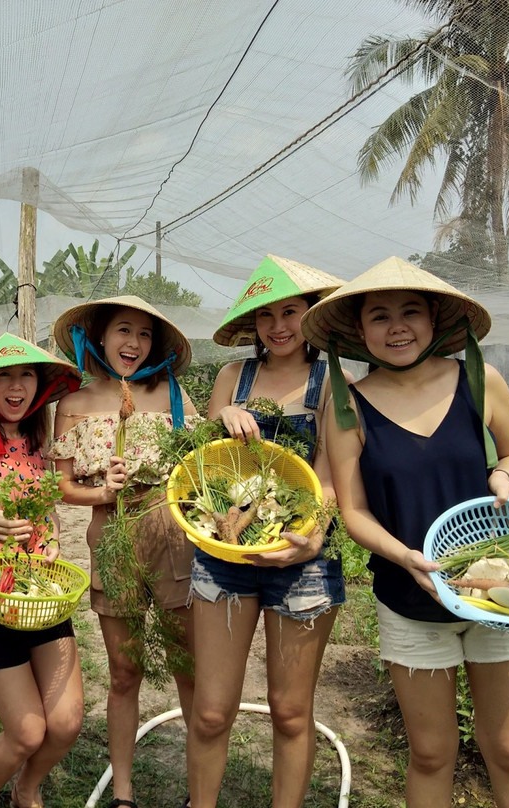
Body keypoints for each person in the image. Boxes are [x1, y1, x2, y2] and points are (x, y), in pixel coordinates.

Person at [302, 256, 509, 808]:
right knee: (432, 754)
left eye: (410, 312)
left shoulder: (478, 380)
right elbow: (355, 510)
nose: (396, 327)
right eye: (380, 316)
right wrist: (407, 558)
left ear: (434, 318)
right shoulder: (350, 407)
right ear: (360, 332)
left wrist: (505, 475)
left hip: (499, 591)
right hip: (410, 599)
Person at [186, 255, 349, 808]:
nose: (278, 326)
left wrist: (312, 536)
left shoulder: (335, 382)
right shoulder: (234, 378)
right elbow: (203, 470)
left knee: (290, 710)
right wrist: (223, 420)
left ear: (312, 316)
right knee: (210, 711)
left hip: (304, 560)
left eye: (291, 312)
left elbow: (332, 477)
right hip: (225, 552)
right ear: (252, 324)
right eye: (266, 315)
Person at [48, 295, 197, 808]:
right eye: (123, 332)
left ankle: (200, 791)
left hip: (174, 537)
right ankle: (125, 795)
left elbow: (201, 466)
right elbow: (64, 487)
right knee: (124, 670)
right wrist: (103, 493)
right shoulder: (74, 403)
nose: (133, 344)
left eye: (144, 335)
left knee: (187, 664)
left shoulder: (173, 396)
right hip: (111, 539)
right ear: (99, 338)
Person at [0, 332, 85, 808]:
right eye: (3, 375)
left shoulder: (37, 440)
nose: (16, 385)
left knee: (65, 723)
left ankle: (27, 787)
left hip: (40, 595)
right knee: (26, 731)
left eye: (26, 374)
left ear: (38, 385)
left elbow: (56, 504)